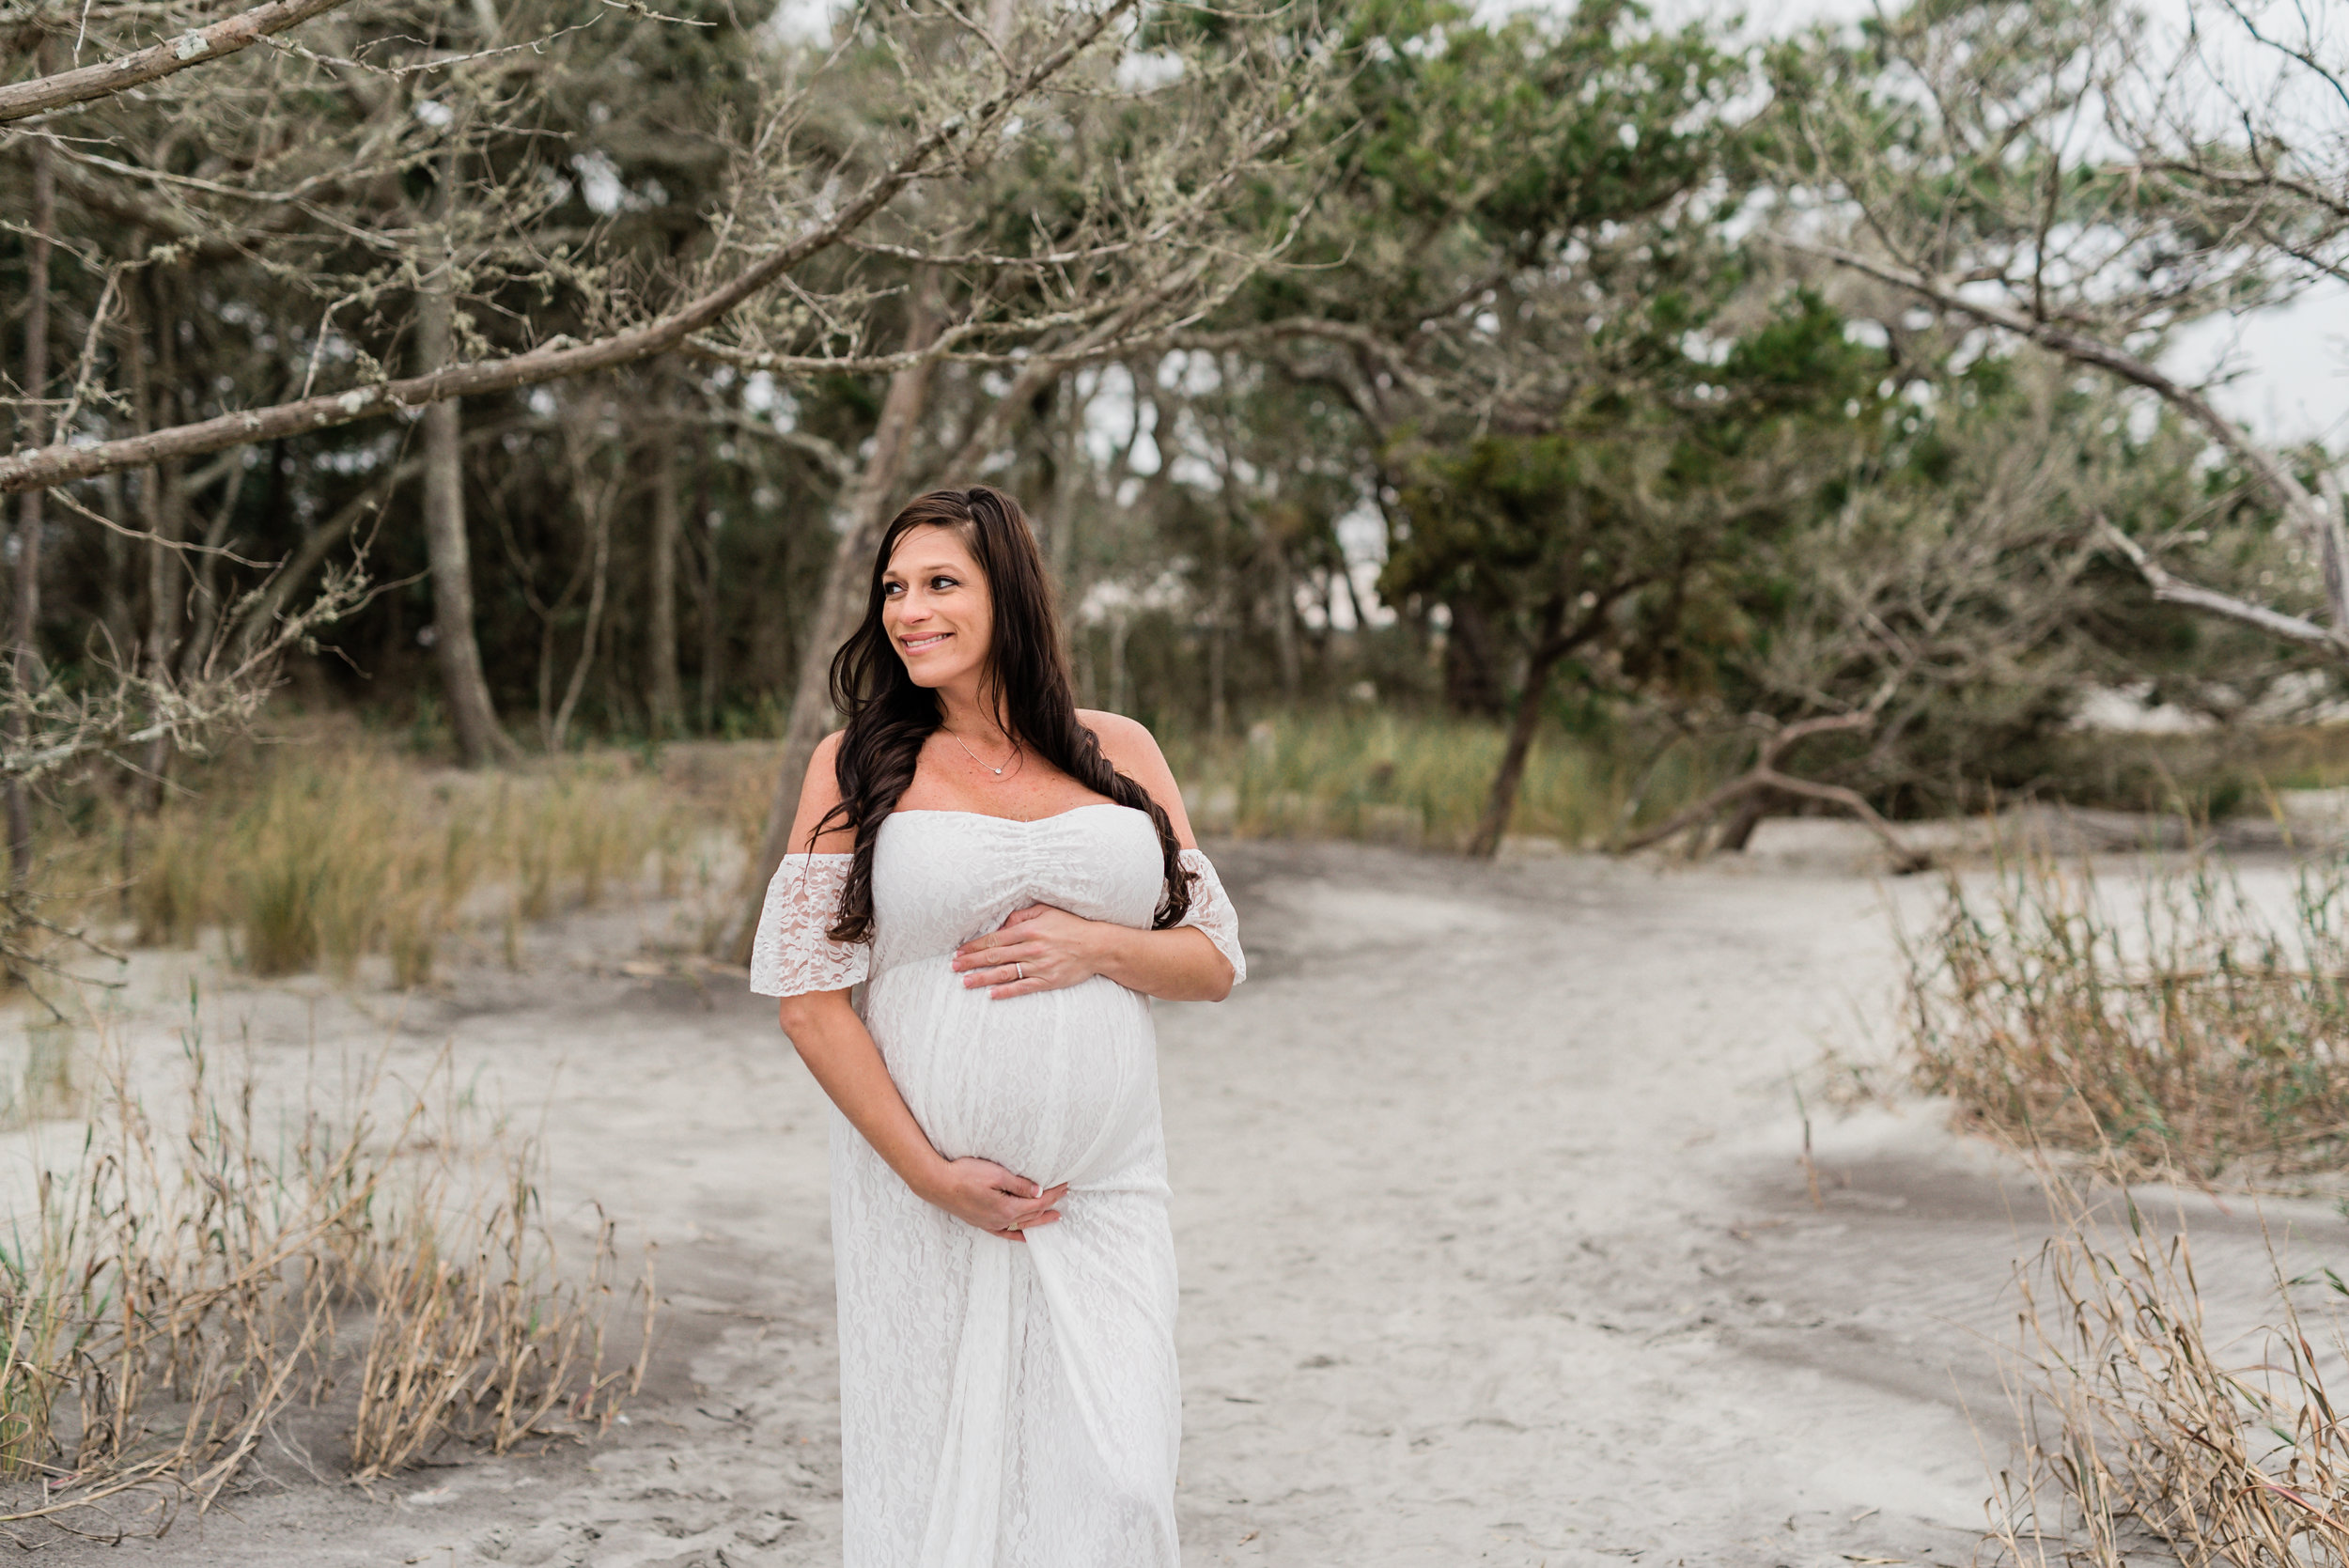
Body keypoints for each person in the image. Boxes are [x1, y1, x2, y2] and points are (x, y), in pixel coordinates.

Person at [748, 485, 1245, 1568]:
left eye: (940, 584)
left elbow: (1211, 962)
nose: (907, 611)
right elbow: (807, 999)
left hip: (1103, 1187)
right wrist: (931, 1174)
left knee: (1118, 1481)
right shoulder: (857, 762)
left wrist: (1095, 945)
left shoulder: (1119, 750)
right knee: (942, 1476)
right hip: (922, 1190)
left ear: (1007, 593)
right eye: (893, 587)